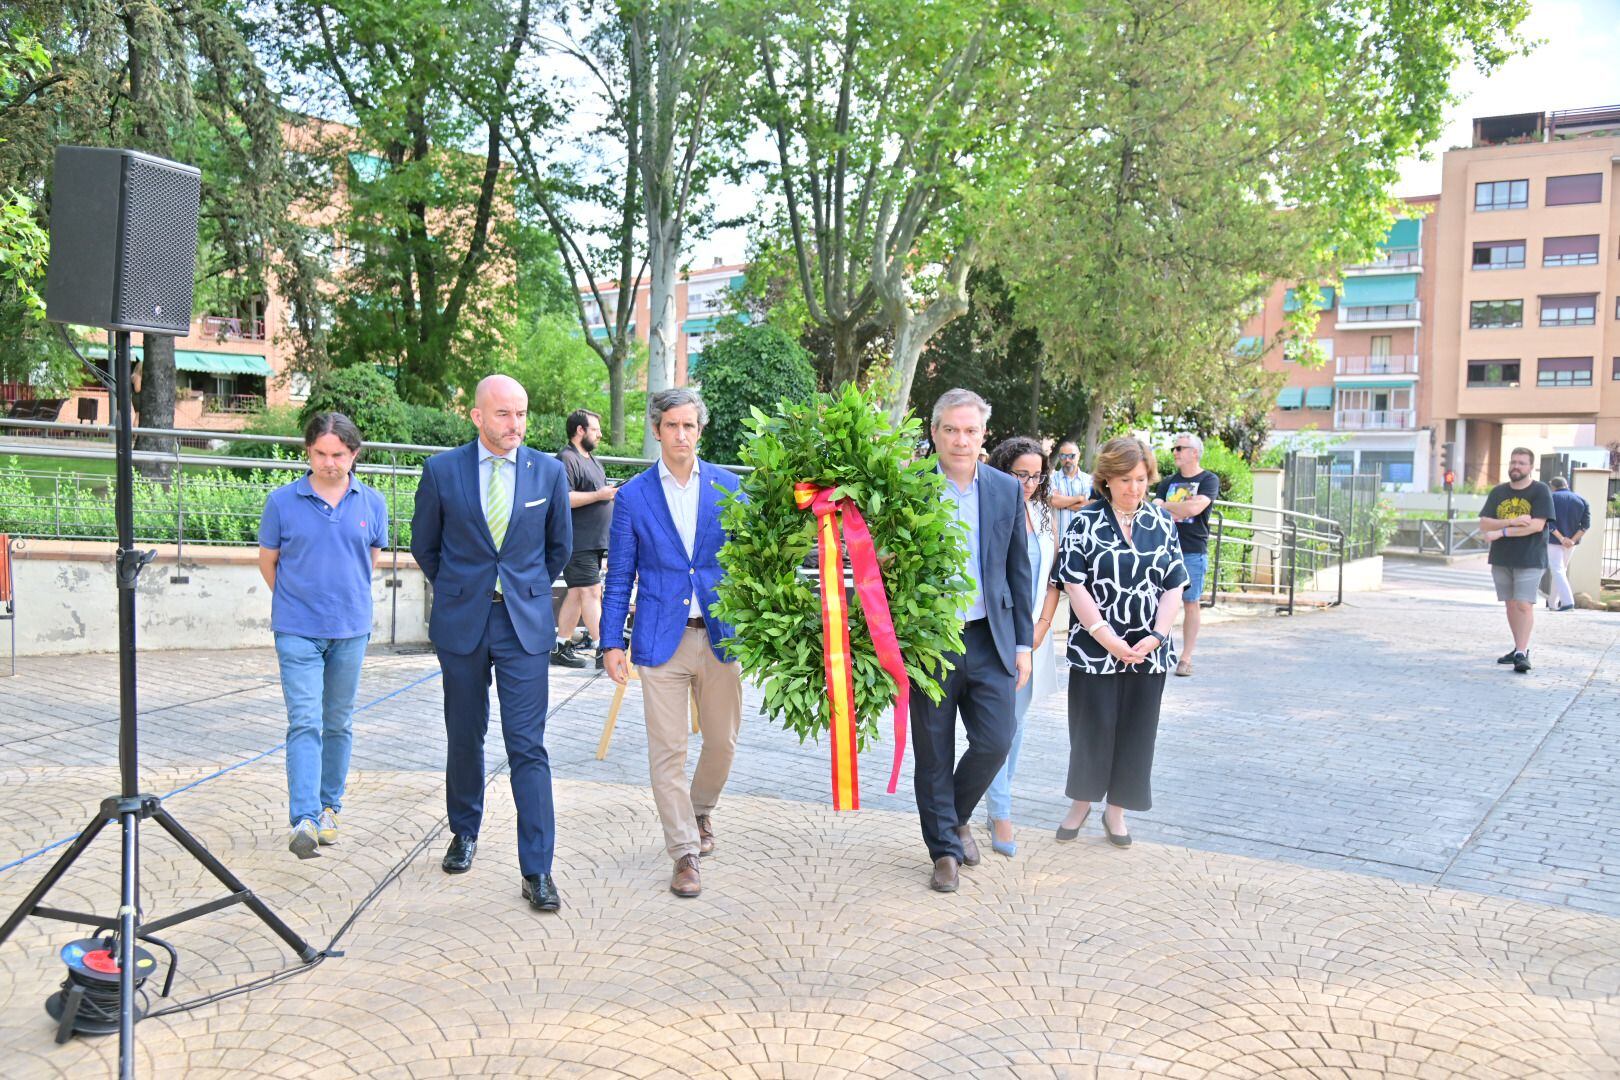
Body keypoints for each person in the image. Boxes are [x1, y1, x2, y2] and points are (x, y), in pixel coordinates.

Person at [410, 374, 573, 912]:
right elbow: (425, 547)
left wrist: (521, 591)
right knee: (464, 732)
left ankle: (538, 869)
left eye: (522, 414)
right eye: (503, 414)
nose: (515, 425)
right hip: (463, 622)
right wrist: (464, 589)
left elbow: (558, 550)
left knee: (528, 745)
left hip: (523, 624)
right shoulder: (441, 471)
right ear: (477, 416)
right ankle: (465, 831)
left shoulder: (548, 472)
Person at [601, 388, 744, 899]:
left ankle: (700, 809)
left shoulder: (730, 488)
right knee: (668, 753)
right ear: (657, 430)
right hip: (660, 639)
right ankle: (684, 852)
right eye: (671, 426)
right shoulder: (634, 496)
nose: (681, 435)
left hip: (721, 637)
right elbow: (619, 575)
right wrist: (609, 642)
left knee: (723, 744)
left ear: (699, 430)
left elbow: (752, 561)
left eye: (689, 425)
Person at [915, 389, 1032, 893]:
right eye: (950, 430)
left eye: (970, 431)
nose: (960, 440)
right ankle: (944, 849)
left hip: (990, 638)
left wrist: (1024, 643)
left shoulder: (1006, 489)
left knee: (995, 740)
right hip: (929, 640)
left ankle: (956, 815)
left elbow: (1018, 569)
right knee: (934, 751)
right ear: (935, 432)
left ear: (984, 436)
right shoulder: (910, 487)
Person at [258, 413, 387, 860]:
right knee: (305, 721)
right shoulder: (281, 502)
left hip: (351, 629)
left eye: (338, 454)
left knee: (338, 722)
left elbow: (367, 559)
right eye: (320, 453)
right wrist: (298, 604)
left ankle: (331, 806)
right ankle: (305, 818)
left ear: (354, 454)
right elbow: (268, 561)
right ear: (307, 452)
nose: (329, 463)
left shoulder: (372, 503)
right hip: (297, 631)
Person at [1055, 436, 1187, 848]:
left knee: (1137, 730)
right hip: (1096, 650)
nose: (1134, 487)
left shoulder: (1162, 523)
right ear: (1107, 480)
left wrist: (1157, 635)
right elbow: (1074, 586)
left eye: (1141, 479)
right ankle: (1082, 802)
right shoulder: (1086, 521)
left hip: (1150, 651)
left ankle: (1117, 812)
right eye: (1125, 479)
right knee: (1091, 729)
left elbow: (1174, 585)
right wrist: (1107, 638)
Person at [982, 436, 1062, 859]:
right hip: (1002, 634)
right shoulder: (992, 507)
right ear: (1002, 469)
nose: (1029, 483)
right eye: (1020, 474)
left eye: (1036, 475)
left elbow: (1054, 577)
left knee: (1019, 725)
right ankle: (1001, 812)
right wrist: (1019, 632)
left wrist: (1042, 627)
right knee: (1000, 727)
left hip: (1037, 636)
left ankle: (998, 802)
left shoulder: (1044, 513)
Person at [1479, 447, 1554, 674]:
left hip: (1530, 557)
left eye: (1521, 463)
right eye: (1513, 462)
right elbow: (1484, 524)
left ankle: (1522, 652)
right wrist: (1513, 521)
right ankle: (1517, 647)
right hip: (1502, 558)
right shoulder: (1498, 492)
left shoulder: (1540, 491)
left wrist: (1500, 532)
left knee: (1523, 604)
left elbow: (1535, 526)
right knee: (1510, 604)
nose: (1516, 466)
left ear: (1531, 467)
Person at [554, 408, 617, 669]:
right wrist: (599, 495)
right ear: (580, 431)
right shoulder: (566, 459)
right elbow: (563, 498)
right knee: (591, 592)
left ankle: (560, 646)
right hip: (577, 540)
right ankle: (604, 648)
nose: (600, 434)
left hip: (594, 540)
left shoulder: (591, 459)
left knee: (577, 594)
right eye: (595, 429)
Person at [1153, 432, 1218, 676]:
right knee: (1159, 603)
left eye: (1180, 448)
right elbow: (1154, 511)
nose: (1176, 452)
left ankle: (1186, 658)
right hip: (1164, 550)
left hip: (1192, 550)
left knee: (1191, 603)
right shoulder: (1167, 481)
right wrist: (1177, 508)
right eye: (1175, 448)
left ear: (1195, 452)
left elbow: (1194, 507)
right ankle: (1158, 648)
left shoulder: (1208, 479)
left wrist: (1167, 506)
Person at [1545, 476, 1590, 613]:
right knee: (1560, 571)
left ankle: (1568, 602)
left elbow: (1548, 522)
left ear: (1553, 486)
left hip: (1554, 540)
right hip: (1571, 543)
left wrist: (1561, 538)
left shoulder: (1550, 498)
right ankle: (1552, 602)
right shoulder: (1582, 500)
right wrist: (1571, 540)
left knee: (1557, 570)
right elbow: (1586, 525)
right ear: (1566, 485)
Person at [1048, 439, 1092, 539]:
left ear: (1079, 456)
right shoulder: (1051, 479)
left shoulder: (1089, 480)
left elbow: (1089, 507)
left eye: (1072, 456)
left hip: (1083, 540)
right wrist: (1080, 498)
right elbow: (1054, 501)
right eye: (1063, 456)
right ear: (1059, 457)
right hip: (1057, 540)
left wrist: (1061, 503)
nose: (1067, 460)